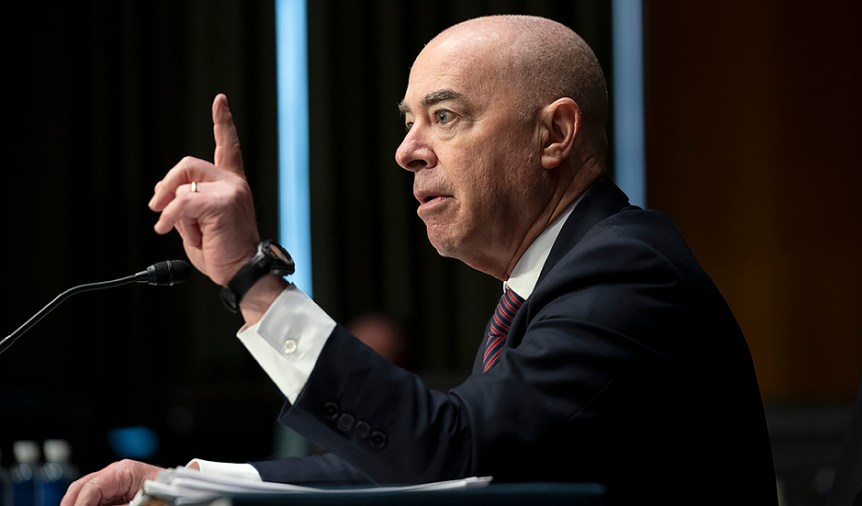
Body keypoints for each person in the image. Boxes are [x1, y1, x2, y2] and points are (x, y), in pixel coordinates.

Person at [62, 14, 778, 505]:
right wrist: (189, 484)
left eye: (444, 116)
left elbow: (451, 454)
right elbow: (417, 473)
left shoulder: (627, 271)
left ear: (555, 133)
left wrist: (252, 278)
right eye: (408, 123)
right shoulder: (552, 284)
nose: (407, 151)